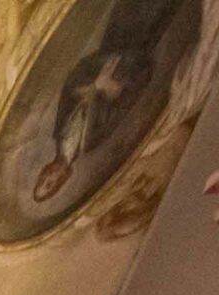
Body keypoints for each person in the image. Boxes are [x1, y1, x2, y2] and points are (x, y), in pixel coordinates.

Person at [31, 0, 185, 204]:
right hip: (127, 62)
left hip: (109, 48)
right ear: (63, 181)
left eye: (42, 179)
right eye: (50, 184)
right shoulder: (91, 142)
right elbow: (119, 108)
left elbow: (70, 86)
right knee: (154, 13)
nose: (49, 176)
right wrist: (110, 88)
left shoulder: (59, 131)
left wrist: (93, 84)